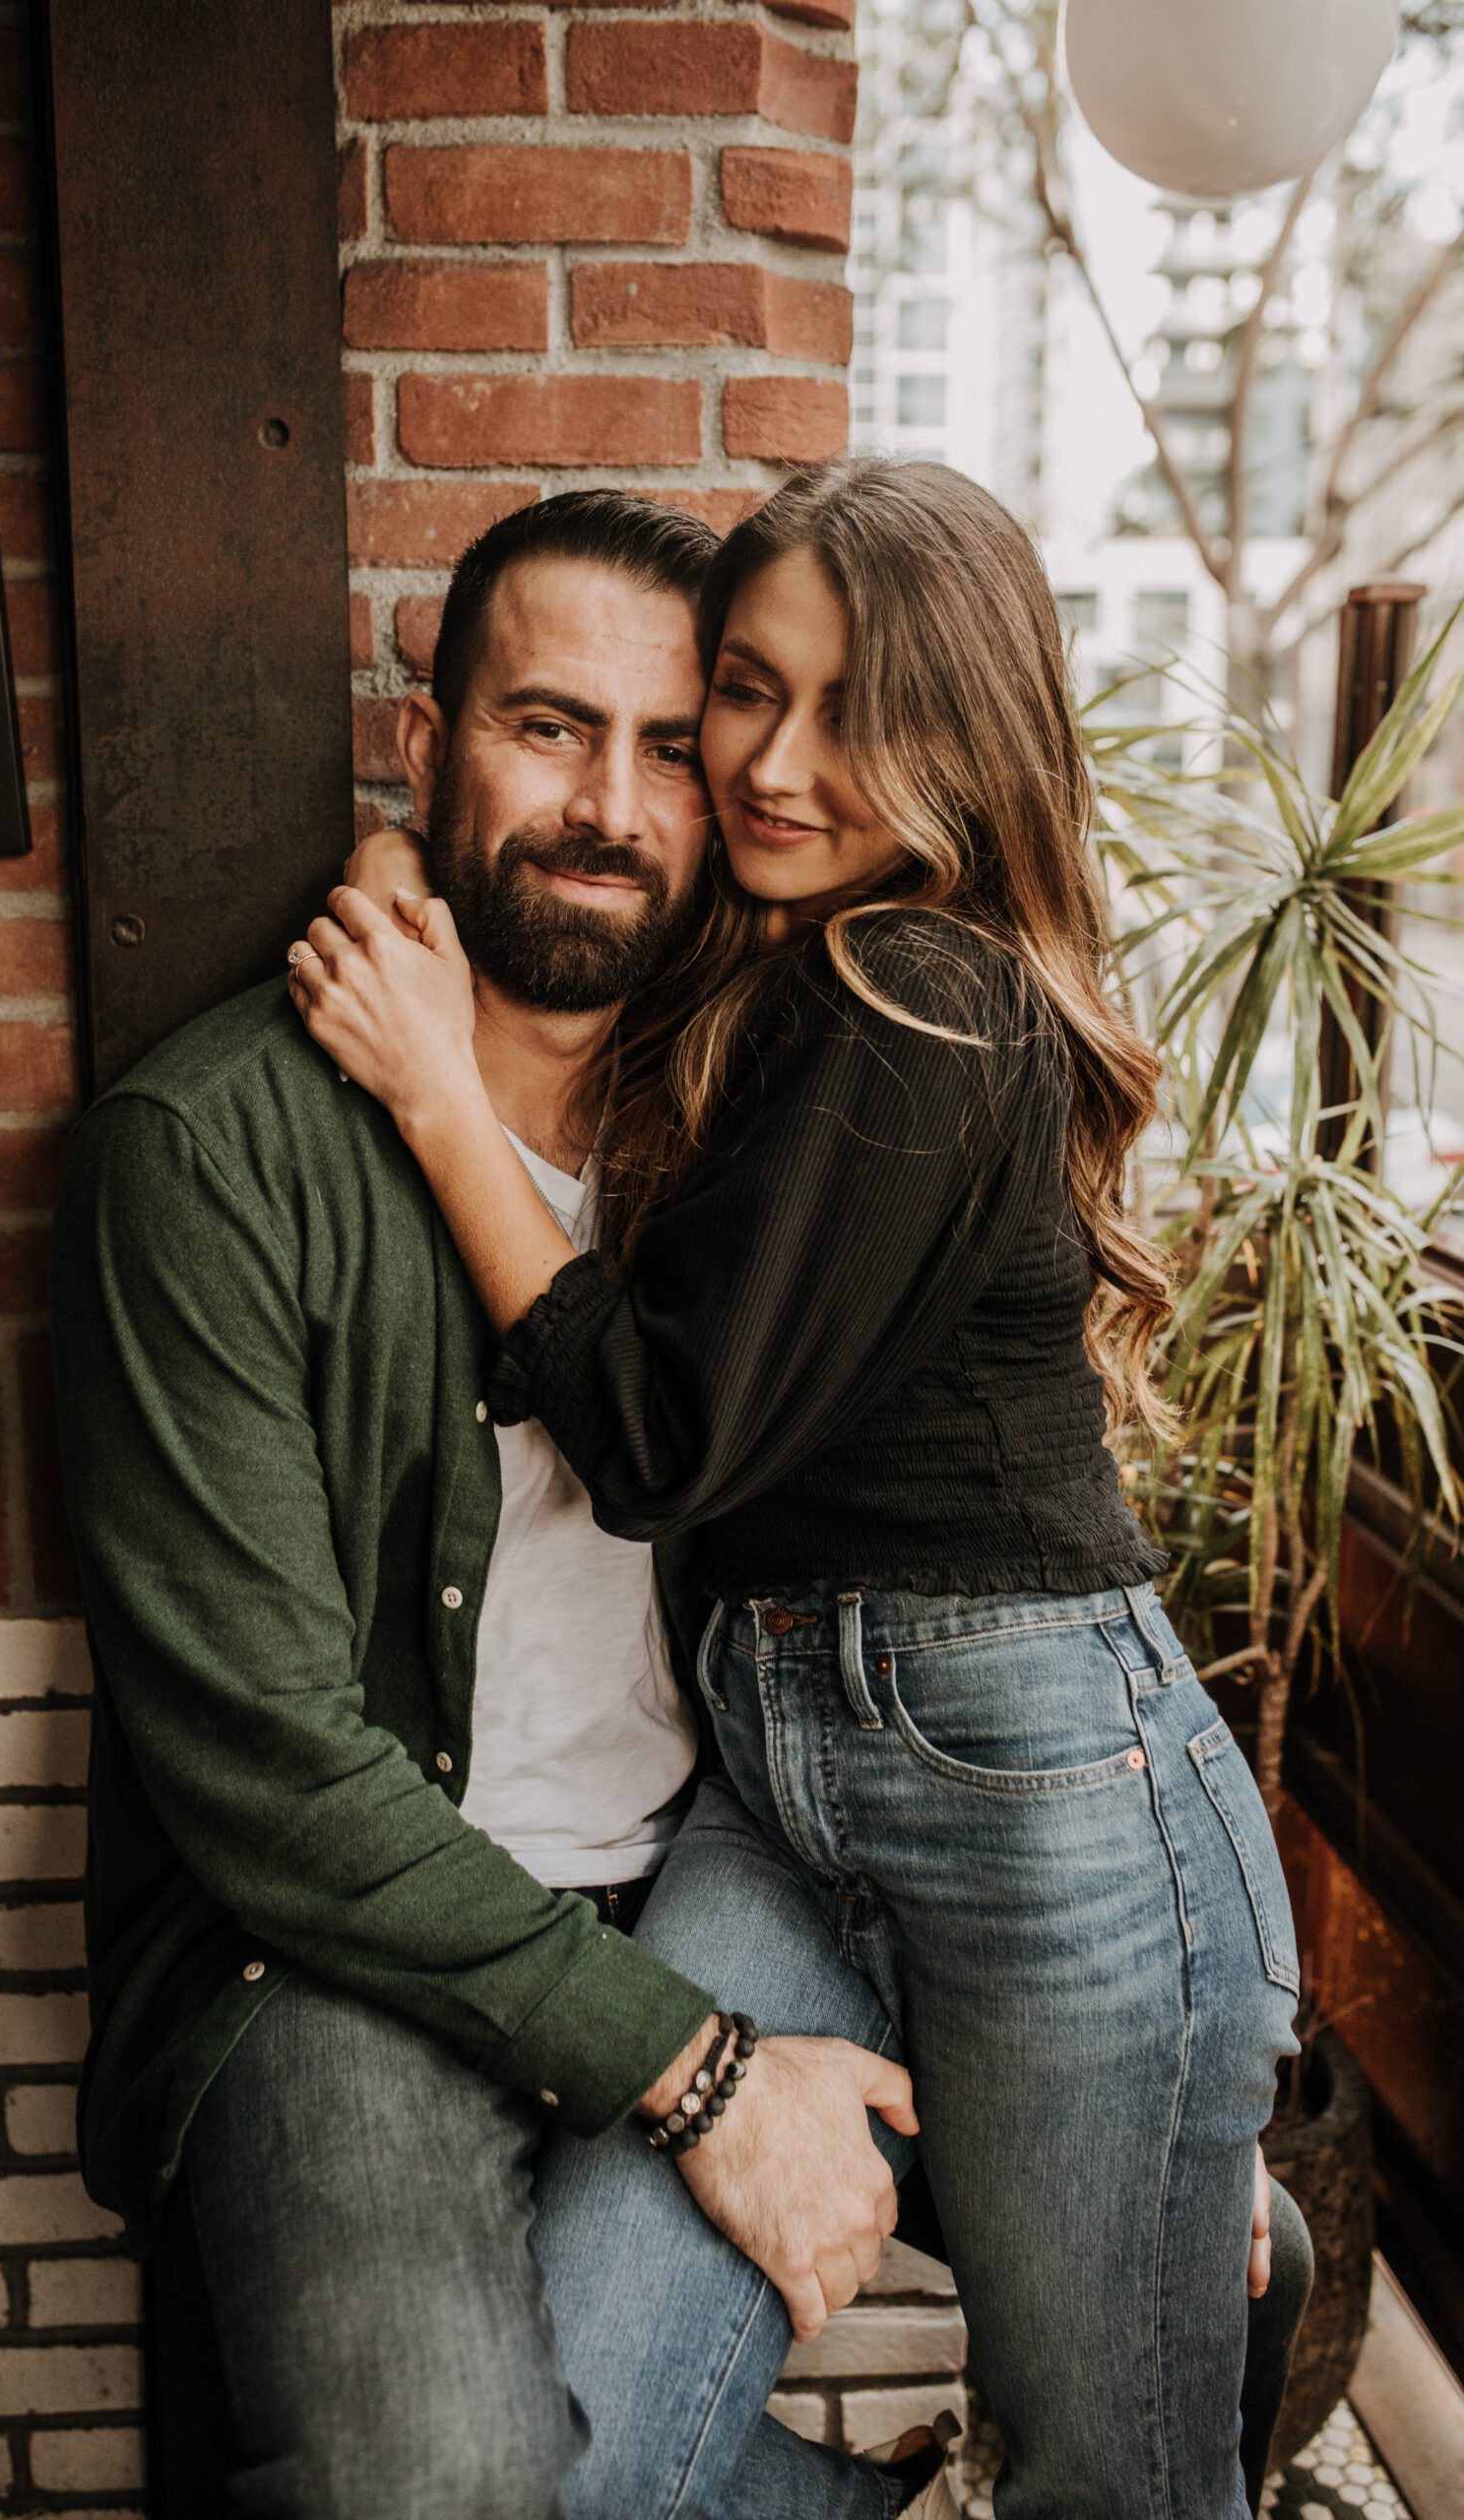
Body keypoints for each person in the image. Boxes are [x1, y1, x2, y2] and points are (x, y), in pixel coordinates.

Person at [287, 458, 1308, 2520]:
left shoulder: (923, 992)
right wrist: (413, 862)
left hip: (1044, 1797)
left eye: (848, 712)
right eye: (743, 689)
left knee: (1110, 2473)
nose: (766, 760)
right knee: (571, 2448)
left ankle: (1203, 2237)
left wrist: (420, 1091)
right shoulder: (773, 975)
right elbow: (546, 897)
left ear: (963, 735)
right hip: (776, 1772)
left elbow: (661, 1440)